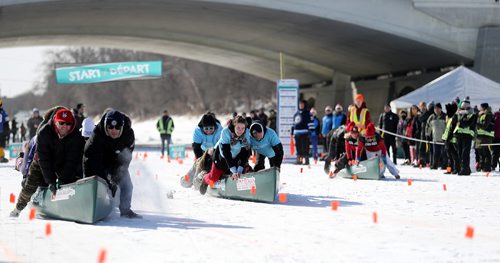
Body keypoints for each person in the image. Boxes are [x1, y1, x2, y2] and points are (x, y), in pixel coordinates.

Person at [10, 107, 85, 217]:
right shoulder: (44, 132)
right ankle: (18, 208)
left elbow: (72, 161)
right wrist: (51, 181)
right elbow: (44, 160)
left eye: (68, 124)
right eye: (61, 123)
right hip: (41, 161)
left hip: (62, 161)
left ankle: (75, 205)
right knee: (30, 184)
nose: (65, 126)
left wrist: (63, 178)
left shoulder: (76, 136)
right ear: (55, 122)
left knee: (71, 178)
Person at [84, 109, 141, 218]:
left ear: (122, 127)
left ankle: (125, 210)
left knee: (127, 185)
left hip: (117, 161)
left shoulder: (128, 134)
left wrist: (115, 178)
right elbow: (90, 159)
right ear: (105, 126)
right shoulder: (97, 135)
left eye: (117, 127)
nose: (113, 130)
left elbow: (126, 159)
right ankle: (94, 205)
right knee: (100, 182)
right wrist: (104, 181)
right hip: (99, 160)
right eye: (110, 127)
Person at [199, 115, 250, 195]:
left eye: (243, 128)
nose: (240, 131)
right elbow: (226, 152)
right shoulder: (225, 132)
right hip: (222, 158)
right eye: (238, 128)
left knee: (243, 171)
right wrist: (233, 170)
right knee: (214, 178)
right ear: (234, 126)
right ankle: (205, 178)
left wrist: (239, 169)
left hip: (236, 158)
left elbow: (244, 152)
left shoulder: (246, 133)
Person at [453, 99, 477, 175]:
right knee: (459, 153)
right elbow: (454, 121)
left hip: (467, 136)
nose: (463, 109)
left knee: (465, 153)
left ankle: (465, 169)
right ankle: (463, 168)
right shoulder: (458, 113)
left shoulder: (472, 114)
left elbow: (467, 124)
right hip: (459, 135)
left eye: (465, 107)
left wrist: (460, 121)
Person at [426, 103, 447, 169]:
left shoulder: (445, 116)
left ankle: (445, 165)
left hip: (443, 138)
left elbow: (448, 127)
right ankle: (435, 165)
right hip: (435, 138)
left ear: (441, 109)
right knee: (435, 153)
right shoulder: (431, 117)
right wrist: (427, 135)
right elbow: (428, 127)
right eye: (435, 109)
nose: (436, 110)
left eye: (438, 108)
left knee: (444, 153)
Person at [292, 100, 312, 165]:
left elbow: (311, 123)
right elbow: (293, 124)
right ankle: (300, 160)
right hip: (297, 133)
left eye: (302, 104)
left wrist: (310, 131)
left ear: (304, 105)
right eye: (300, 104)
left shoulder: (308, 113)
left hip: (304, 133)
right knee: (298, 148)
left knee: (305, 147)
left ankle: (306, 160)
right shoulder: (296, 114)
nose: (301, 105)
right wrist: (292, 131)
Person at [476, 103, 494, 172]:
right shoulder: (481, 114)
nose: (479, 108)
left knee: (486, 152)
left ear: (483, 107)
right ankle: (482, 167)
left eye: (480, 107)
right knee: (481, 153)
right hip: (481, 137)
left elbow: (485, 126)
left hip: (486, 136)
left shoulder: (488, 115)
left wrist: (476, 124)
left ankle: (487, 168)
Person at [442, 103, 459, 174]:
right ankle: (449, 170)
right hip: (447, 139)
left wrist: (448, 138)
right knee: (449, 156)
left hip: (452, 140)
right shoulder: (450, 118)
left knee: (454, 156)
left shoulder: (455, 117)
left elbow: (452, 130)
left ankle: (456, 169)